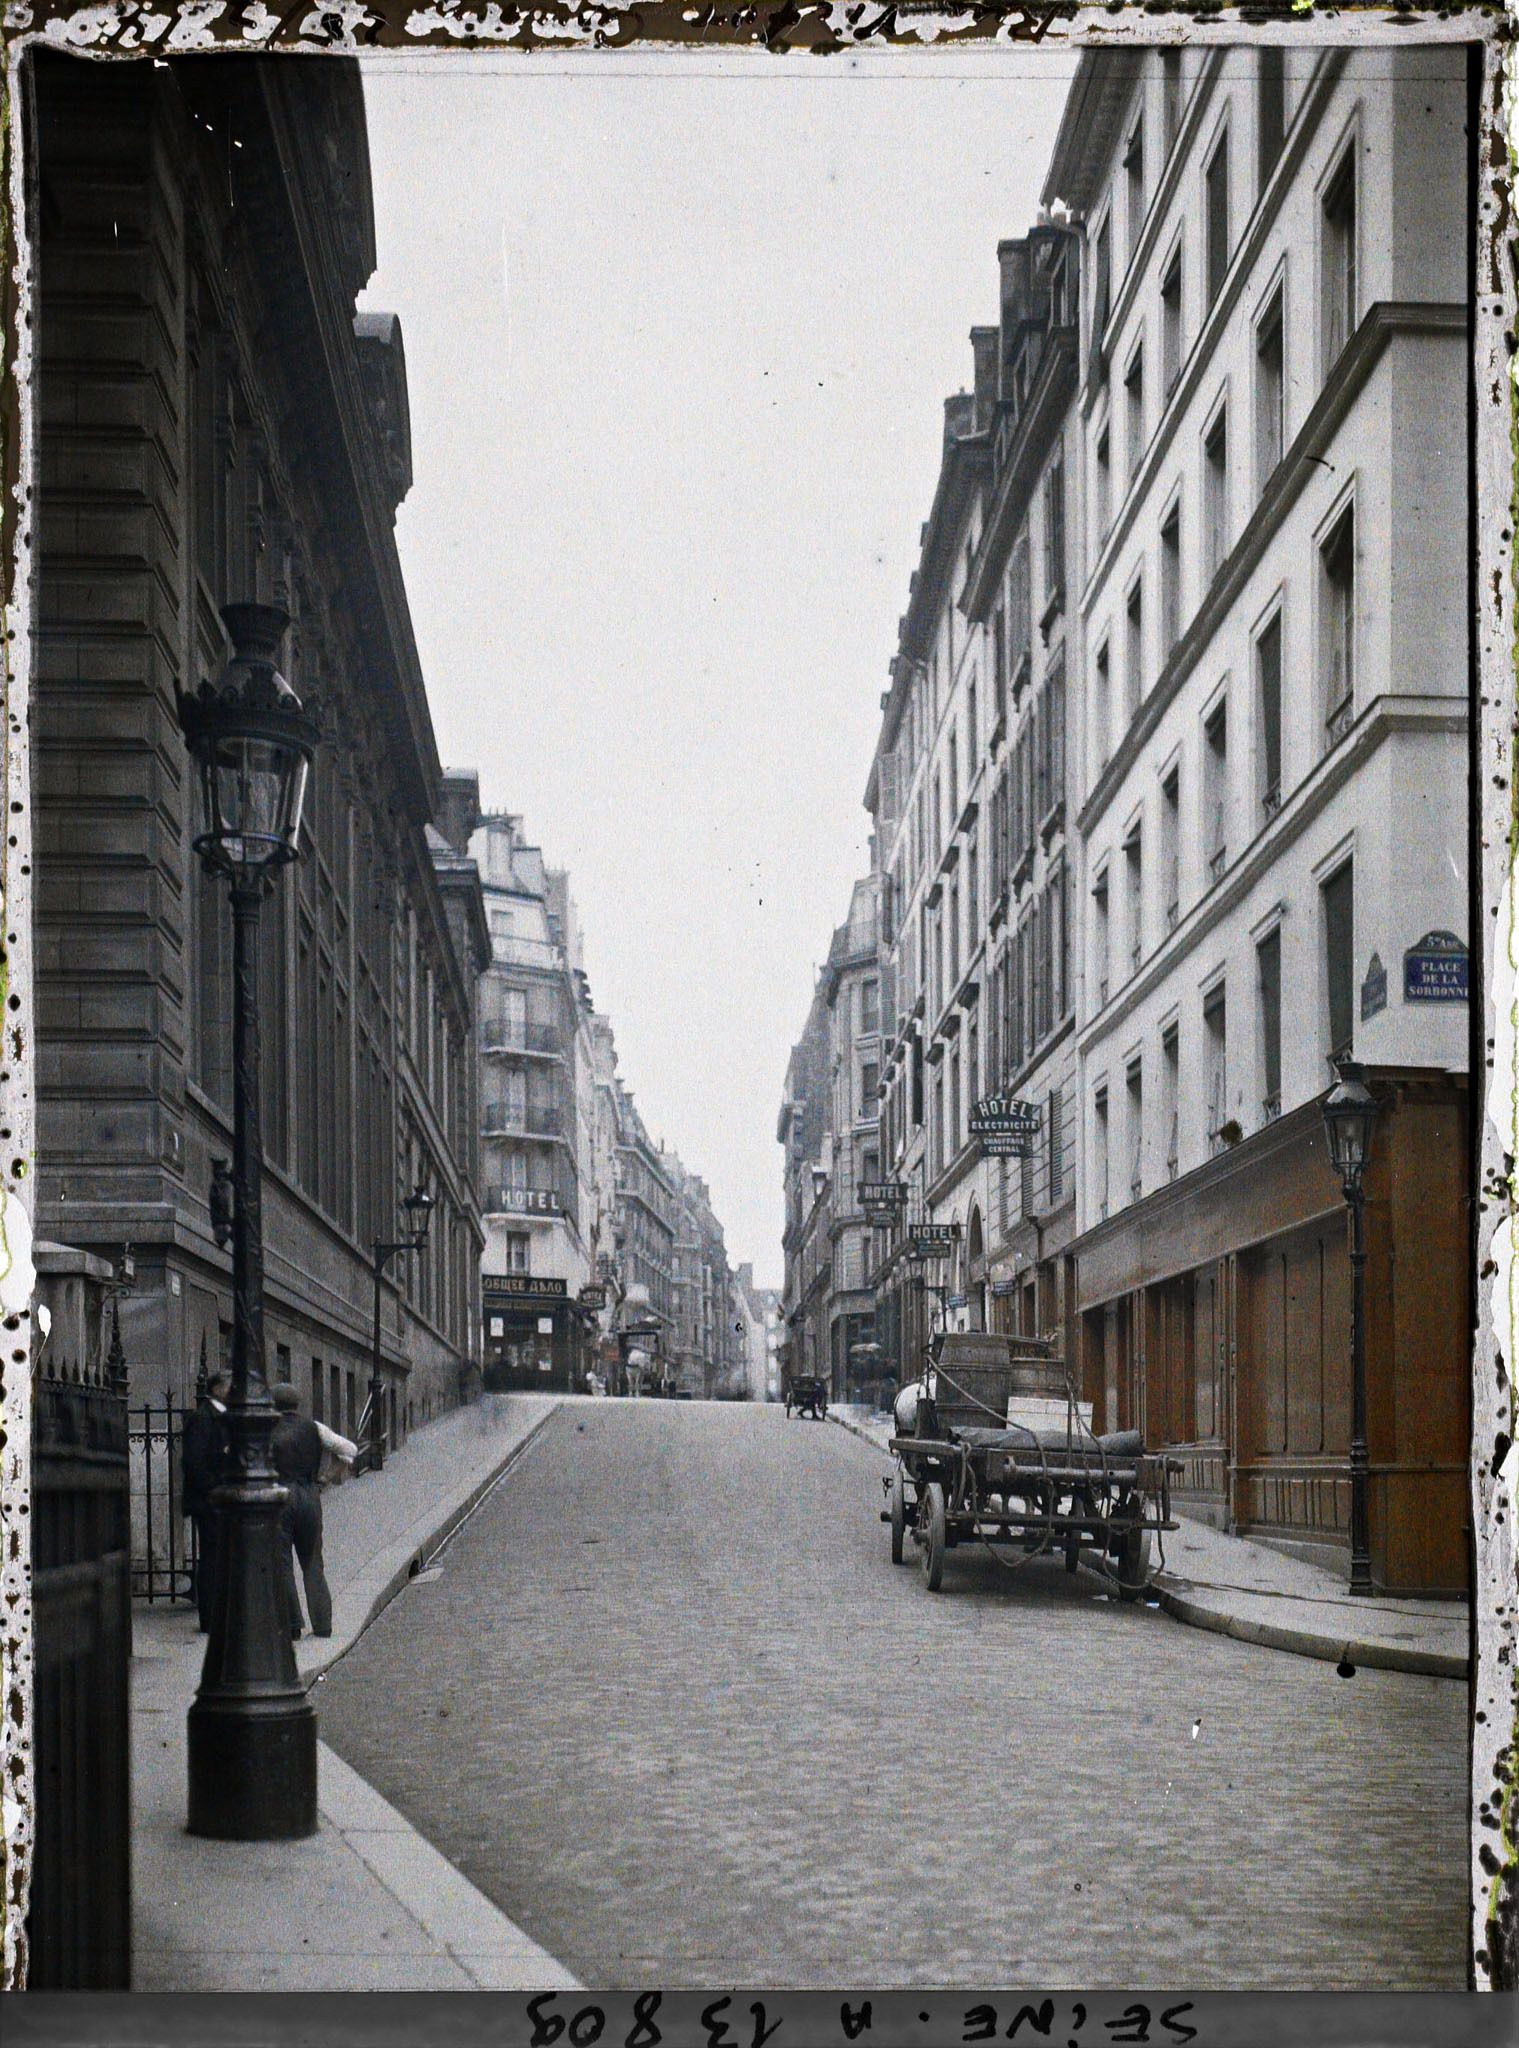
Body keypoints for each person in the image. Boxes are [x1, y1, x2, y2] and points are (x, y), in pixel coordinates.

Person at [270, 1382, 333, 1639]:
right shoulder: (315, 1427)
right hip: (309, 1494)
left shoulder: (264, 1429)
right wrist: (327, 1477)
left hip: (279, 1497)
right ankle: (323, 1625)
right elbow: (349, 1450)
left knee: (281, 1562)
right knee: (313, 1563)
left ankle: (292, 1625)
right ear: (297, 1404)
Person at [180, 1372, 230, 1633]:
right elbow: (194, 1461)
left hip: (220, 1499)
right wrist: (215, 1489)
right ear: (218, 1388)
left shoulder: (220, 1416)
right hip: (210, 1501)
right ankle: (210, 1618)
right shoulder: (203, 1418)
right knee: (212, 1559)